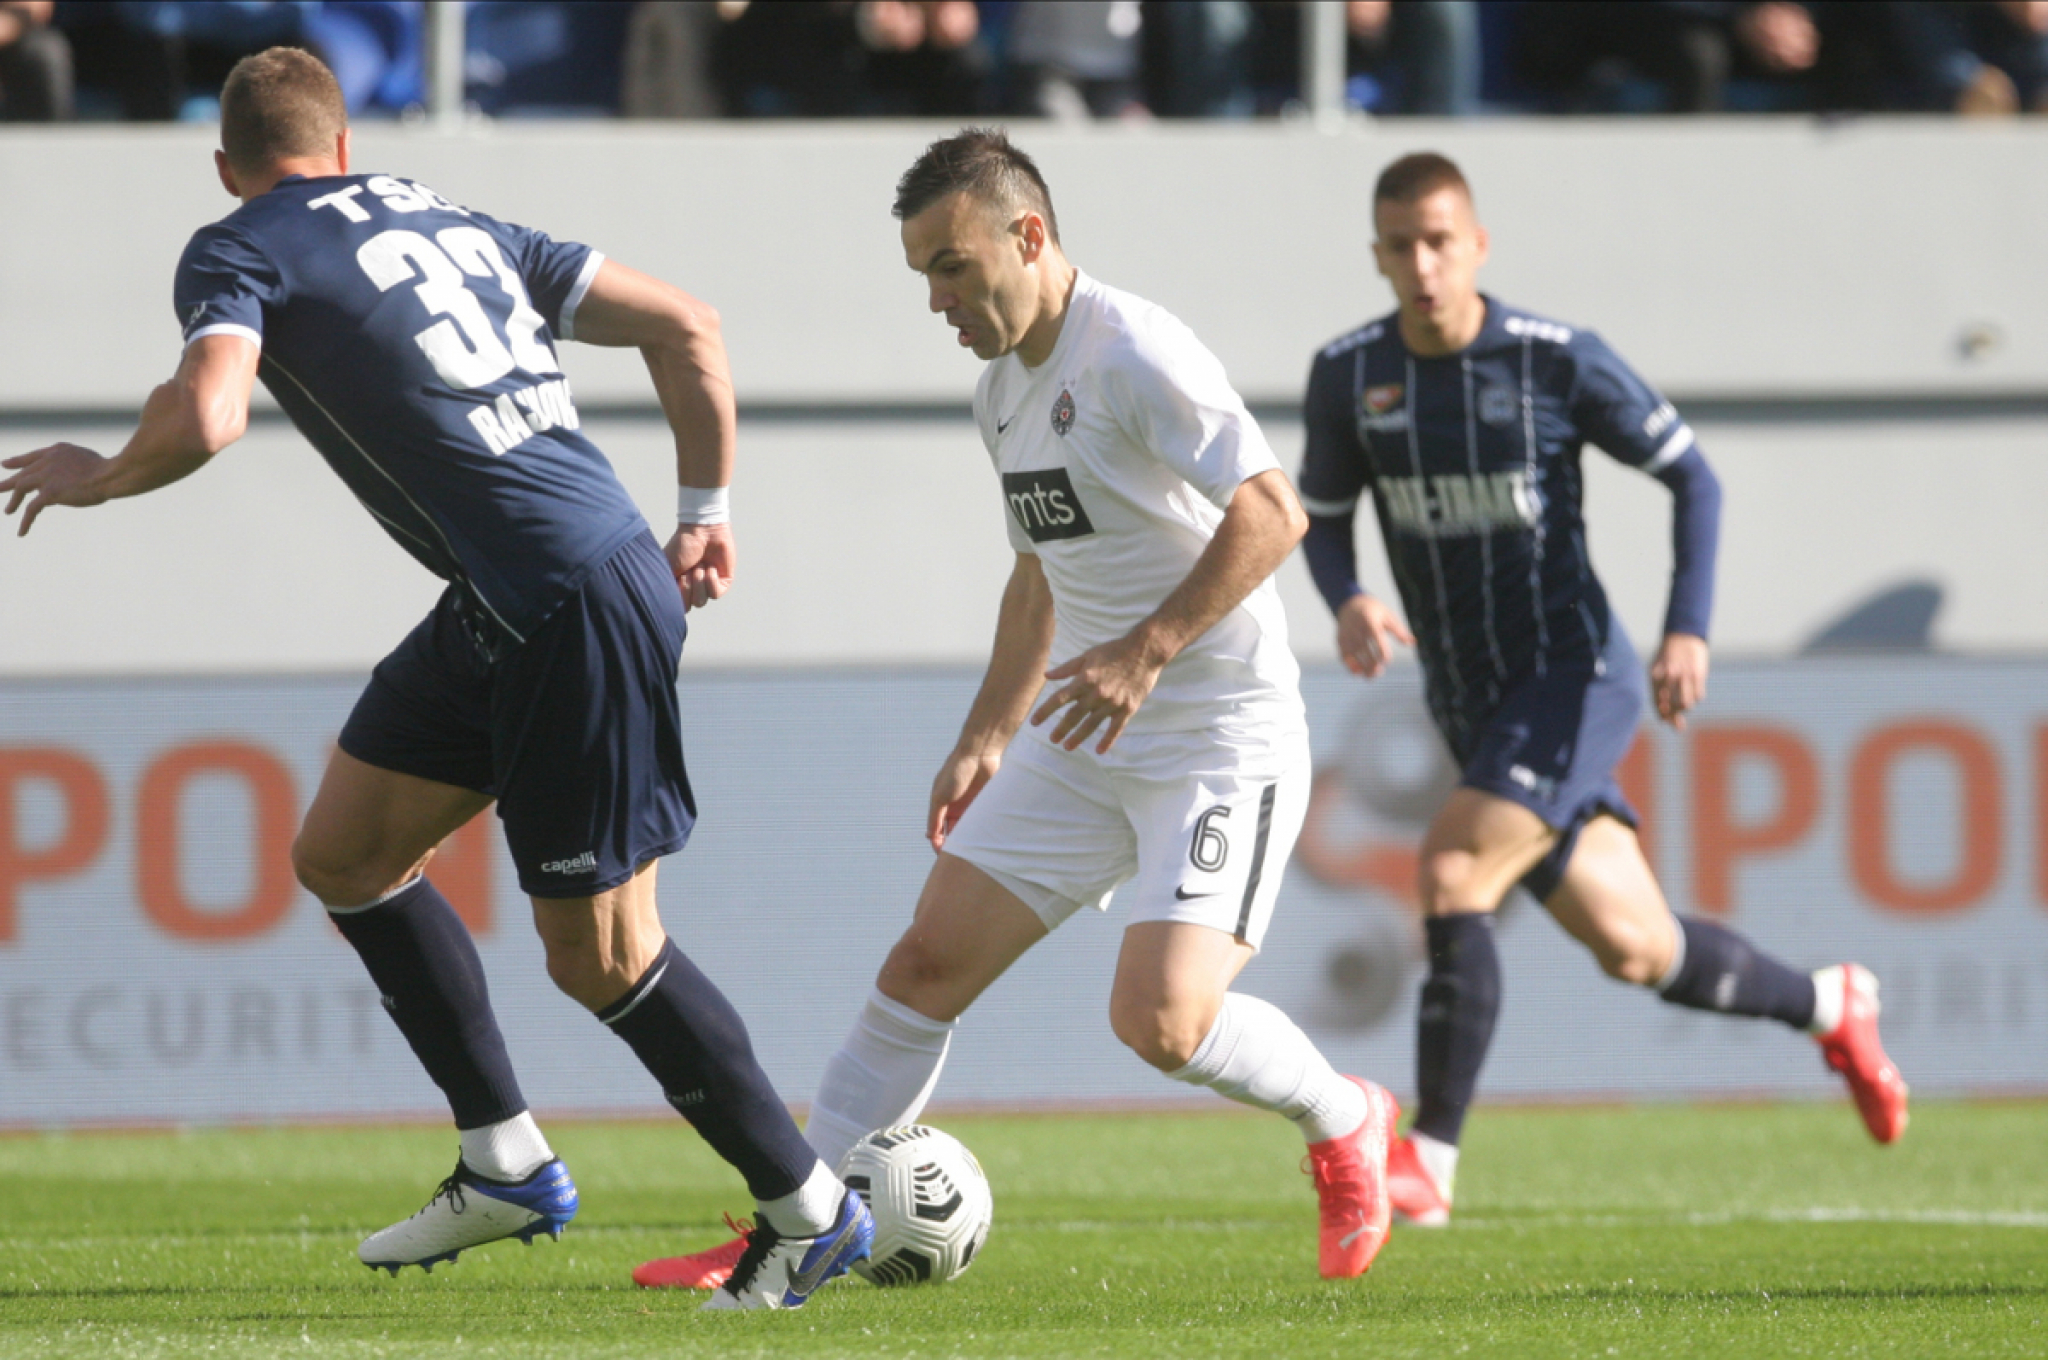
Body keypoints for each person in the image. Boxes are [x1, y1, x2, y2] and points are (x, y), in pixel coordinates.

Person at [0, 46, 869, 1312]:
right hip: (527, 592)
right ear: (343, 145)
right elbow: (689, 323)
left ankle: (809, 1212)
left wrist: (102, 472)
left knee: (605, 956)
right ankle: (502, 1158)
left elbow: (210, 414)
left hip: (566, 599)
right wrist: (708, 509)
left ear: (229, 165)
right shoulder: (449, 216)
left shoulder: (239, 243)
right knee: (344, 852)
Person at [635, 127, 1399, 1292]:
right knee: (924, 964)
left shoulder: (1134, 351)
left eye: (949, 264)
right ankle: (795, 1223)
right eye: (920, 275)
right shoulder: (998, 393)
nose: (936, 297)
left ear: (1026, 235)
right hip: (1082, 732)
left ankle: (1345, 1119)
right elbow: (1039, 573)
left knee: (1161, 1022)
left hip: (1214, 735)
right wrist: (986, 732)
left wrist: (1146, 651)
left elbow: (1271, 512)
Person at [1294, 151, 1909, 1228]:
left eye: (1439, 240)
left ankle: (1426, 1158)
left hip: (1573, 675)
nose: (1421, 264)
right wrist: (1344, 596)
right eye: (1399, 245)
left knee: (1446, 869)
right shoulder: (1348, 376)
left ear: (1476, 244)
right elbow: (1324, 515)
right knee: (1635, 947)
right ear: (1377, 254)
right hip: (1469, 699)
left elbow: (1691, 476)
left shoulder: (1551, 360)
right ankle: (1830, 1001)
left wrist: (1686, 628)